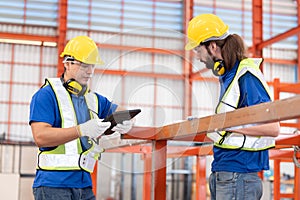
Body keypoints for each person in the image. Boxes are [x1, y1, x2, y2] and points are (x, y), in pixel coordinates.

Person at [185, 14, 280, 200]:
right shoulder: (229, 76)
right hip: (225, 172)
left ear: (212, 46)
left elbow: (272, 127)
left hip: (238, 175)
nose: (197, 57)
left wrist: (224, 125)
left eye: (198, 50)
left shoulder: (245, 75)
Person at [29, 35, 134, 200]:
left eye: (92, 66)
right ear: (68, 63)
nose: (90, 71)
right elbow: (41, 137)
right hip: (53, 186)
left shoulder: (93, 99)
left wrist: (127, 121)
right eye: (85, 65)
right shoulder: (46, 95)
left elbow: (122, 111)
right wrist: (82, 130)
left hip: (84, 185)